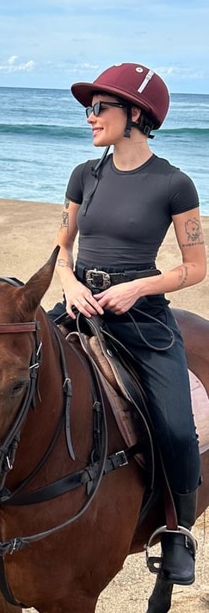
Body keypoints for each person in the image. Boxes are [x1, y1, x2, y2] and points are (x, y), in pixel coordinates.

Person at [52, 62, 206, 586]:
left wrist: (138, 286)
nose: (89, 118)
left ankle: (178, 533)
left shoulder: (174, 184)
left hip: (141, 316)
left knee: (178, 430)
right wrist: (71, 285)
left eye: (99, 108)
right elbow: (61, 246)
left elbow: (197, 267)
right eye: (87, 109)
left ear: (135, 114)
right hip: (80, 304)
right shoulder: (83, 175)